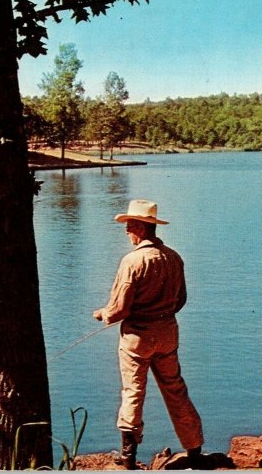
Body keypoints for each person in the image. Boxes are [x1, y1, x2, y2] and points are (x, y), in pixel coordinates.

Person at [93, 199, 204, 470]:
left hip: (137, 337)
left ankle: (128, 457)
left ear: (142, 228)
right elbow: (180, 300)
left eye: (130, 226)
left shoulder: (132, 261)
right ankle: (194, 450)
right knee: (175, 389)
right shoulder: (174, 257)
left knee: (133, 392)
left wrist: (103, 314)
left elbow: (119, 309)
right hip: (168, 333)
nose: (126, 231)